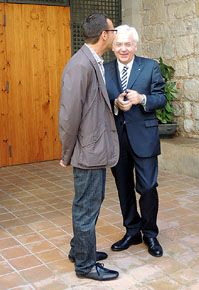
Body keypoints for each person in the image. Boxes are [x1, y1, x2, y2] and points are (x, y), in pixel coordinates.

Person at [58, 13, 119, 281]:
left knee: (92, 202)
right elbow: (69, 115)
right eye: (113, 31)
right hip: (87, 151)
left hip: (94, 149)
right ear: (104, 35)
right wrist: (67, 153)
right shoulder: (80, 65)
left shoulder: (93, 61)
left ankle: (79, 249)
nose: (115, 35)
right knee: (86, 206)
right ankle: (85, 265)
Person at [104, 25, 166, 257]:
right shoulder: (105, 70)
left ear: (135, 46)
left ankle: (150, 233)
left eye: (127, 44)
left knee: (148, 187)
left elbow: (161, 98)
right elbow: (99, 100)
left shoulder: (150, 67)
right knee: (123, 187)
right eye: (118, 44)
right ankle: (132, 230)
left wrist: (142, 99)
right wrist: (114, 104)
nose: (123, 48)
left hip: (145, 137)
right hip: (117, 138)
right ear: (113, 46)